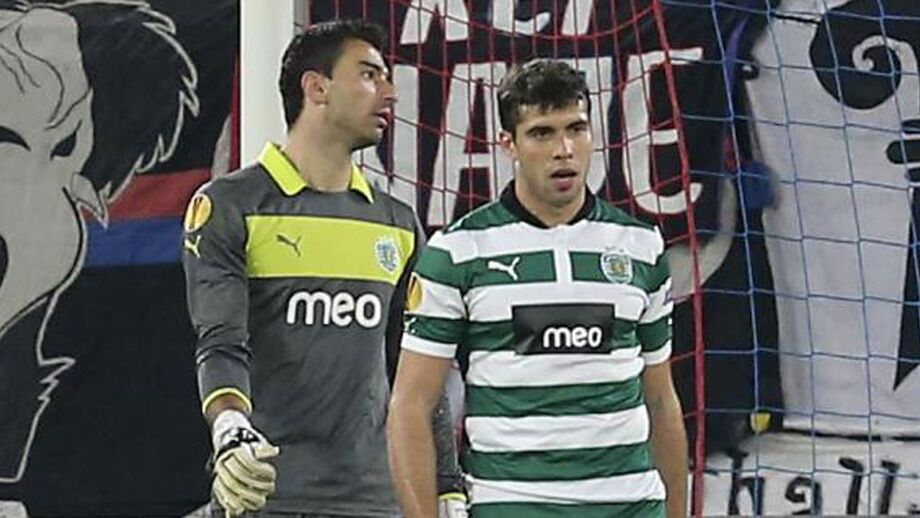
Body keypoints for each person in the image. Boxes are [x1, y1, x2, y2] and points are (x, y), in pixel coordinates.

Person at [182, 19, 464, 517]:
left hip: (377, 502)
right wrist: (230, 429)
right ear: (317, 87)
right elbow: (221, 342)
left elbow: (417, 374)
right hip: (265, 496)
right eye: (370, 75)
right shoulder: (231, 205)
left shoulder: (398, 223)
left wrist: (447, 487)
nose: (391, 93)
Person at [387, 60, 689, 517]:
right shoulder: (457, 252)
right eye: (542, 133)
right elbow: (410, 405)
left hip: (631, 506)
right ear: (507, 143)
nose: (564, 150)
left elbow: (661, 399)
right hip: (510, 505)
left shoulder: (641, 246)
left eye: (576, 129)